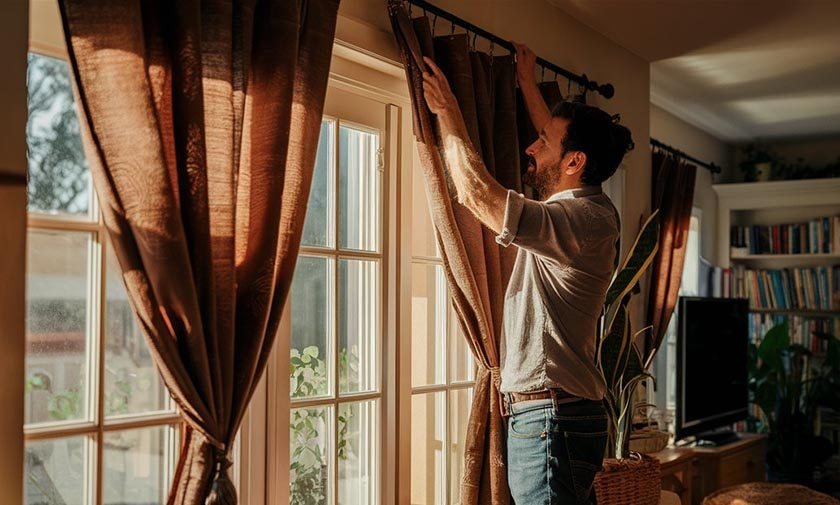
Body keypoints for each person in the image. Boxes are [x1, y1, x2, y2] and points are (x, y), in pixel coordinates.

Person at [421, 42, 633, 505]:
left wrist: (449, 112)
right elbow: (558, 140)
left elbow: (477, 194)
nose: (530, 146)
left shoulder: (578, 221)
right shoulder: (582, 210)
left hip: (551, 425)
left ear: (575, 162)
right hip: (552, 420)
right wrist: (523, 82)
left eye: (544, 142)